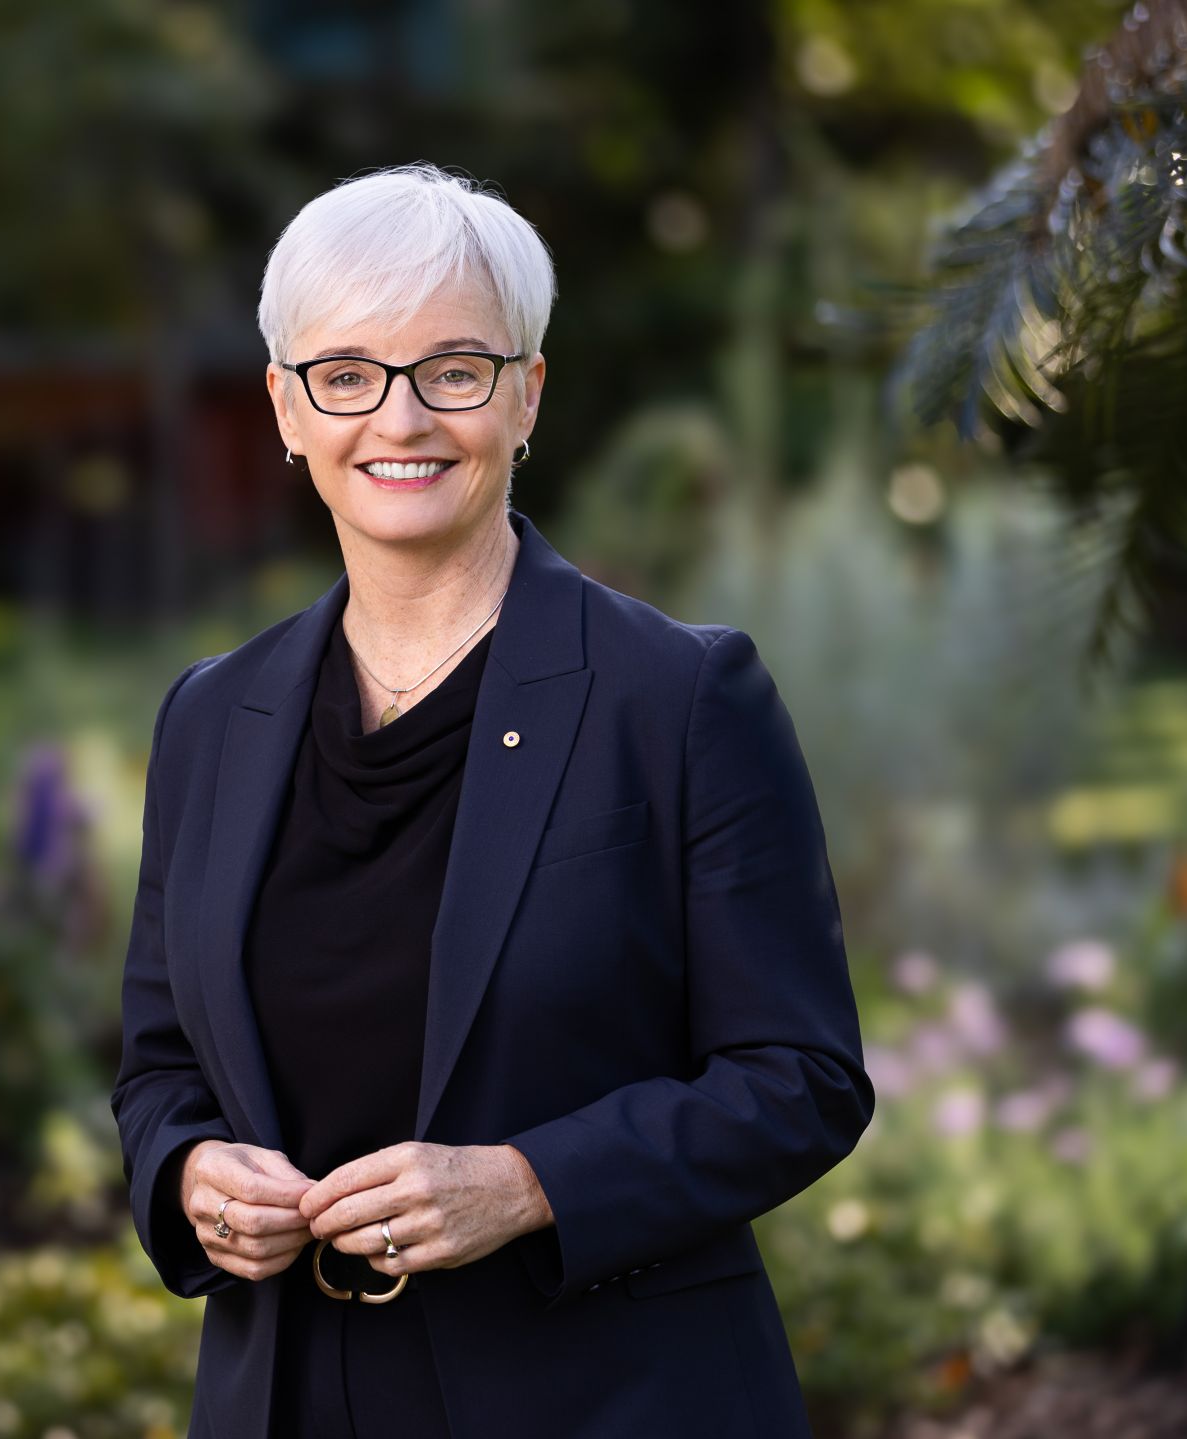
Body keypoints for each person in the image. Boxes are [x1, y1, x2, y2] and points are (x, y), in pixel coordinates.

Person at [111, 162, 873, 1438]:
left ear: (525, 395)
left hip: (606, 1399)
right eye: (345, 374)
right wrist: (186, 1169)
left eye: (452, 370)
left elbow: (800, 1076)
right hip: (284, 1397)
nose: (398, 419)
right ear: (285, 411)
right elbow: (156, 1064)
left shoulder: (679, 695)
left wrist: (527, 1182)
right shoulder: (210, 716)